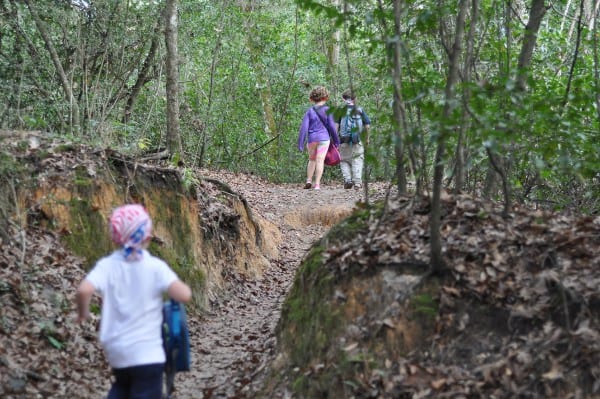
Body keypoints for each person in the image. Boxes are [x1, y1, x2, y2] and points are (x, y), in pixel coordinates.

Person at [76, 204, 192, 399]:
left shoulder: (107, 266)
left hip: (117, 353)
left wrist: (83, 313)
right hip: (148, 354)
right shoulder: (155, 267)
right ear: (147, 236)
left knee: (122, 386)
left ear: (115, 237)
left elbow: (84, 290)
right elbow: (184, 295)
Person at [297, 86, 339, 190]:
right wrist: (337, 141)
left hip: (312, 139)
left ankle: (308, 180)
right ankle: (317, 184)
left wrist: (300, 143)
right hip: (324, 139)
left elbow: (304, 128)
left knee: (312, 160)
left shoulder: (309, 111)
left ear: (312, 99)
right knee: (320, 160)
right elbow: (332, 127)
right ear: (326, 98)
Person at [335, 89, 371, 189]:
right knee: (358, 160)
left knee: (344, 160)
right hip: (357, 140)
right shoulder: (360, 110)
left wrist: (335, 140)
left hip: (343, 140)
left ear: (343, 99)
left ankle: (348, 180)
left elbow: (335, 127)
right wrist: (367, 138)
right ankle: (358, 182)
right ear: (355, 99)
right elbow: (367, 125)